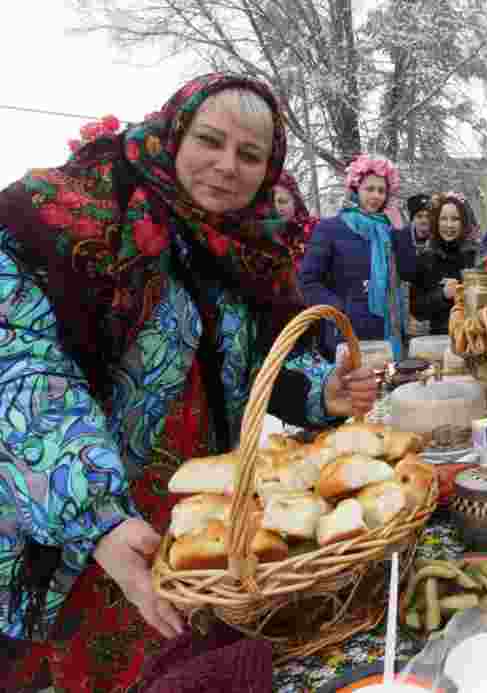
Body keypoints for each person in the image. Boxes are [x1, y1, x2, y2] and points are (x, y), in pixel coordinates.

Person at [0, 73, 378, 692]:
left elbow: (259, 368)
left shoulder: (247, 247)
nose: (227, 167)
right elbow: (23, 372)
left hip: (194, 523)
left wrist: (320, 393)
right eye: (210, 140)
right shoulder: (63, 215)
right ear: (174, 132)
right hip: (78, 519)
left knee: (181, 666)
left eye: (250, 155)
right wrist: (95, 515)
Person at [299, 154, 416, 362]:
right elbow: (308, 281)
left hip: (385, 333)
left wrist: (400, 230)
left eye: (381, 190)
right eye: (369, 189)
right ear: (355, 188)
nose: (376, 196)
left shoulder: (390, 229)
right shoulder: (331, 228)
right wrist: (340, 310)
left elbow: (409, 271)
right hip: (345, 334)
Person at [411, 193, 478, 335]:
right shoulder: (426, 258)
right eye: (443, 219)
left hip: (475, 335)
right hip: (440, 339)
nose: (449, 225)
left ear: (464, 222)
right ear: (436, 222)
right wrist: (443, 295)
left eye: (455, 219)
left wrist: (464, 290)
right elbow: (417, 310)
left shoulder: (477, 257)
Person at [274, 170, 319, 272]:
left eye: (283, 201)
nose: (277, 208)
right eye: (269, 202)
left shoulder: (317, 230)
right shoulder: (258, 236)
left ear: (295, 201)